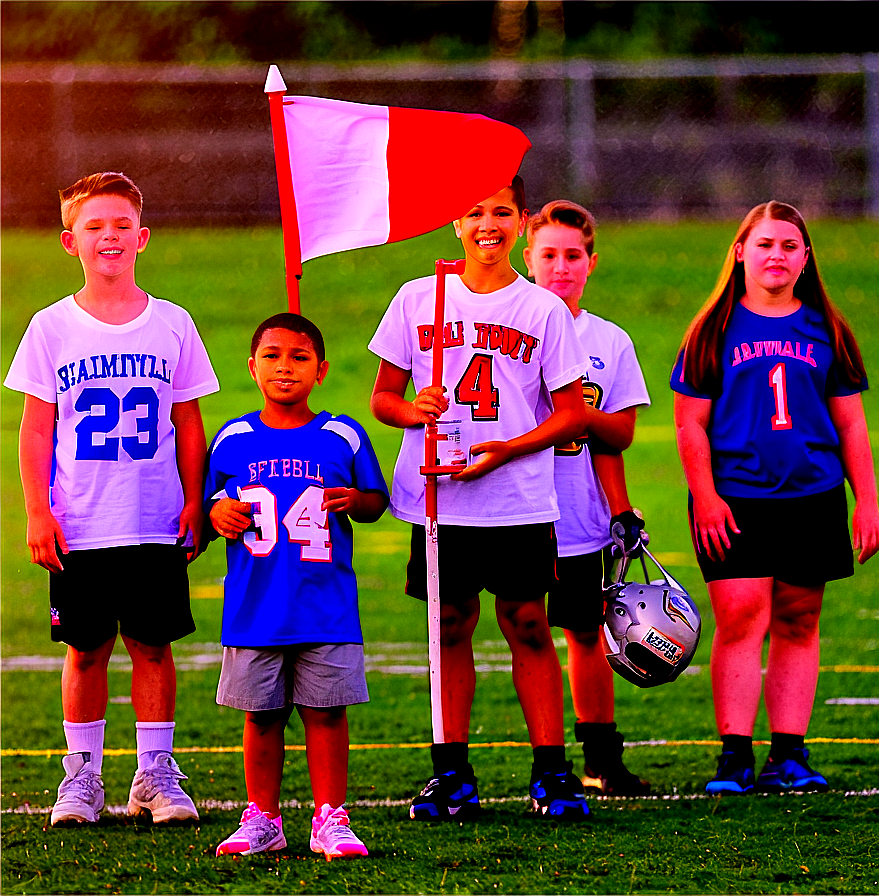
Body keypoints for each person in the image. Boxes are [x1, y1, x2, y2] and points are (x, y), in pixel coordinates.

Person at [368, 177, 592, 821]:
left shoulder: (542, 309)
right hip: (439, 500)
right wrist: (414, 411)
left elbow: (573, 414)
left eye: (501, 211)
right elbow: (383, 399)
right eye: (474, 212)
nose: (488, 224)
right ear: (455, 224)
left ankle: (553, 771)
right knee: (450, 626)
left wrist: (511, 447)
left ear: (520, 223)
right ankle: (452, 771)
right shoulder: (417, 298)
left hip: (517, 497)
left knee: (527, 623)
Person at [4, 171, 219, 825]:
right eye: (94, 226)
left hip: (153, 516)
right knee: (87, 649)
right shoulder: (50, 327)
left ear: (142, 237)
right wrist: (39, 510)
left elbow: (188, 423)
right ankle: (84, 779)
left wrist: (193, 499)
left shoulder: (173, 323)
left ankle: (154, 774)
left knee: (154, 646)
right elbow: (37, 427)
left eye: (121, 225)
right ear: (70, 241)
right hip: (81, 520)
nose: (109, 236)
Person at [671, 200, 879, 794]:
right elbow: (689, 424)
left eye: (789, 246)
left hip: (812, 496)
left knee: (798, 617)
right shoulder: (712, 328)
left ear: (806, 257)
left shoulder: (827, 328)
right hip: (734, 498)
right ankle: (735, 754)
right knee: (740, 618)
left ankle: (788, 754)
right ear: (740, 251)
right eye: (764, 244)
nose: (777, 256)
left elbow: (852, 425)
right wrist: (706, 498)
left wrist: (866, 501)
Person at [205, 313, 389, 858]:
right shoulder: (233, 439)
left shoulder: (343, 435)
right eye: (274, 356)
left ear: (322, 370)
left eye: (300, 357)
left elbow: (376, 501)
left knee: (327, 711)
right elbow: (210, 505)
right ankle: (262, 817)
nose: (286, 367)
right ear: (252, 367)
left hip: (325, 606)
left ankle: (330, 817)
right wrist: (218, 513)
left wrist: (357, 502)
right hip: (255, 606)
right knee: (261, 716)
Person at [523, 199, 652, 796]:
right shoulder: (506, 329)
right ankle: (480, 762)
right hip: (513, 509)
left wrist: (620, 506)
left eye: (573, 255)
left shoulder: (608, 340)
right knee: (518, 630)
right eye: (548, 254)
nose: (560, 266)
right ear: (528, 258)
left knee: (584, 631)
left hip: (579, 512)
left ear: (591, 263)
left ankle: (602, 758)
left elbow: (619, 435)